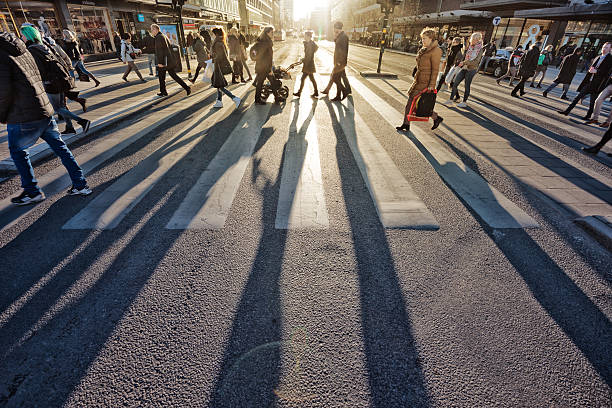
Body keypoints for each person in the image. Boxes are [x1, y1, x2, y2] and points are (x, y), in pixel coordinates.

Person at [0, 31, 91, 205]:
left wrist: (2, 114)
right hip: (43, 108)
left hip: (22, 113)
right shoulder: (22, 47)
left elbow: (3, 90)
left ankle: (31, 191)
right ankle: (80, 184)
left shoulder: (2, 53)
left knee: (18, 152)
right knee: (61, 148)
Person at [21, 25, 91, 136]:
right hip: (60, 79)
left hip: (50, 82)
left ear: (28, 35)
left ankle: (82, 121)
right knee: (62, 106)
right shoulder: (43, 45)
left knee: (56, 108)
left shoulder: (32, 49)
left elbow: (39, 69)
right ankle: (70, 127)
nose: (22, 38)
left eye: (22, 35)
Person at [396, 28, 443, 132]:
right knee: (418, 104)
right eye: (422, 38)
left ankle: (406, 124)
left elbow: (435, 70)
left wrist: (432, 85)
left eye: (424, 38)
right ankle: (435, 118)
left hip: (426, 82)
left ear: (431, 38)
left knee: (416, 103)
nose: (423, 41)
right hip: (419, 79)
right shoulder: (424, 49)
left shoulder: (436, 51)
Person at [558, 42, 612, 120]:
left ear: (610, 49)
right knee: (577, 97)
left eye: (606, 47)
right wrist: (590, 70)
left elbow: (607, 73)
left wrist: (597, 72)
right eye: (603, 47)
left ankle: (588, 115)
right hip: (589, 82)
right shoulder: (598, 57)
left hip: (598, 84)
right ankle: (567, 111)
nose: (604, 49)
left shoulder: (610, 59)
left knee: (592, 102)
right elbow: (592, 67)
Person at [151, 24, 190, 97]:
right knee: (170, 76)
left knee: (162, 77)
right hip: (168, 60)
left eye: (152, 29)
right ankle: (185, 88)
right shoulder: (163, 36)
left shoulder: (158, 37)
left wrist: (160, 62)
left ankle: (164, 91)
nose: (151, 31)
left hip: (164, 62)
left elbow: (160, 51)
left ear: (156, 29)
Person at [448, 32, 484, 108]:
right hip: (464, 68)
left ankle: (464, 102)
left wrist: (464, 62)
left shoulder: (480, 49)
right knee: (455, 83)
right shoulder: (470, 47)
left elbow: (476, 62)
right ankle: (450, 100)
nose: (472, 40)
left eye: (474, 39)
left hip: (471, 69)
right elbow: (464, 55)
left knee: (467, 86)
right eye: (472, 39)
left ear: (478, 40)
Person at [210, 27, 241, 109]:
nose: (212, 36)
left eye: (212, 34)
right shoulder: (220, 42)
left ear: (216, 34)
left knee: (220, 85)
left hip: (219, 67)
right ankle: (219, 101)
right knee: (218, 84)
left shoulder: (217, 44)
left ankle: (235, 98)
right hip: (219, 66)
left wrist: (213, 56)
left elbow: (221, 56)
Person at [253, 26, 274, 105]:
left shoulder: (262, 41)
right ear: (267, 33)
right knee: (262, 83)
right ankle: (257, 99)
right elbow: (268, 57)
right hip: (264, 67)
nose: (273, 34)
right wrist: (270, 68)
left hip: (261, 66)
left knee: (263, 82)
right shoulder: (266, 43)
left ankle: (276, 96)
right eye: (272, 32)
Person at [328, 21, 350, 101]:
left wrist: (339, 62)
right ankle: (338, 95)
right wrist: (336, 37)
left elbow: (343, 51)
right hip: (338, 62)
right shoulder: (340, 36)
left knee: (335, 78)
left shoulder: (343, 37)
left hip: (340, 62)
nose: (334, 30)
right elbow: (338, 45)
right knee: (337, 78)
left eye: (335, 29)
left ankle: (345, 91)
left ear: (338, 28)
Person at [293, 30, 319, 98]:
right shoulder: (309, 44)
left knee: (303, 79)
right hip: (309, 64)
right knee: (311, 79)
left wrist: (303, 60)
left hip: (308, 65)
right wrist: (303, 59)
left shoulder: (310, 45)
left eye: (305, 35)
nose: (304, 37)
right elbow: (309, 54)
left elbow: (309, 56)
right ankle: (316, 92)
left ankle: (299, 93)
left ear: (308, 36)